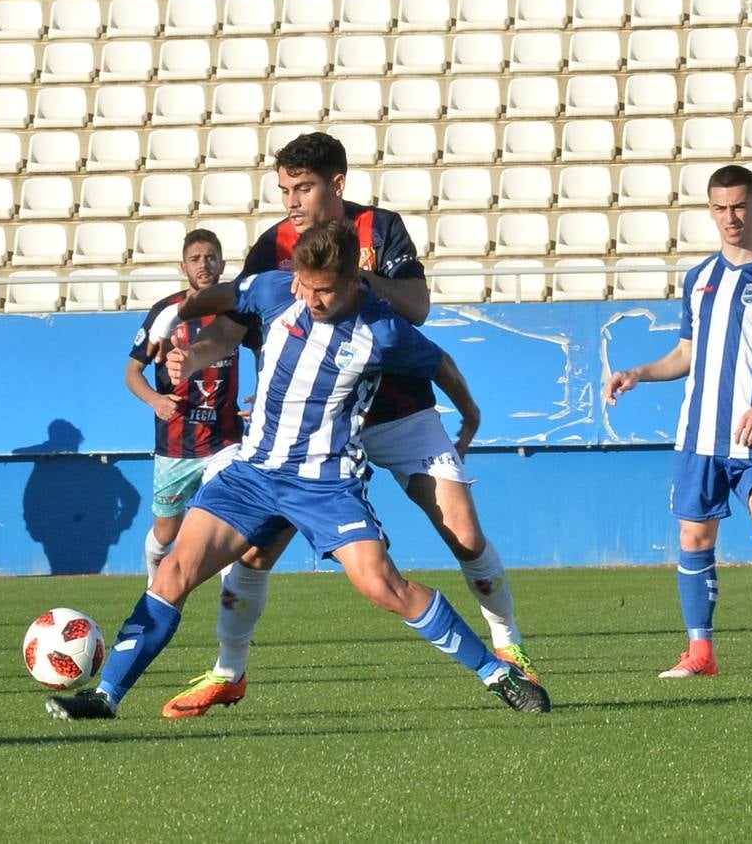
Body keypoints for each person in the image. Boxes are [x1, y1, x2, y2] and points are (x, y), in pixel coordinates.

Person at [46, 221, 551, 721]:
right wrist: (168, 323)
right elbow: (218, 295)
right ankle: (106, 695)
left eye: (325, 290)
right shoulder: (274, 288)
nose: (311, 299)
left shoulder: (382, 330)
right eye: (305, 286)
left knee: (382, 585)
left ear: (355, 280)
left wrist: (471, 412)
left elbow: (439, 363)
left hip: (324, 483)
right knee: (174, 571)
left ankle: (497, 673)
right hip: (253, 474)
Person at [141, 132, 538, 718]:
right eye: (284, 190)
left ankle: (510, 649)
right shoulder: (270, 247)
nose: (292, 202)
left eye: (303, 188)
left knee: (464, 534)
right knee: (252, 555)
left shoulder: (380, 229)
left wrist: (344, 272)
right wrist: (193, 357)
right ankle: (228, 673)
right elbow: (232, 327)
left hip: (398, 410)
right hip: (310, 428)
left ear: (338, 185)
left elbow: (417, 307)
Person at [604, 164, 752, 679]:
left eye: (740, 205)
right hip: (698, 436)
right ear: (710, 210)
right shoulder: (699, 277)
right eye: (721, 208)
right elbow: (686, 354)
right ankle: (701, 652)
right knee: (694, 541)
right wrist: (638, 372)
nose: (731, 217)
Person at [125, 229, 254, 584]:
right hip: (177, 443)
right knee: (165, 533)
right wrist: (155, 400)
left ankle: (232, 603)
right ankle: (155, 585)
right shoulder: (165, 313)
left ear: (222, 263)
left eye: (211, 257)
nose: (204, 265)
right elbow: (133, 372)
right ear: (183, 266)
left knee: (229, 523)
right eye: (196, 259)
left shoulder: (238, 312)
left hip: (225, 439)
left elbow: (267, 355)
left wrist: (262, 398)